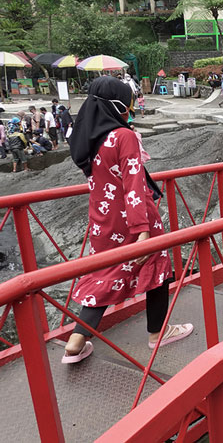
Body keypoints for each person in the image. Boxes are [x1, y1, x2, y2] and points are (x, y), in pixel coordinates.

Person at [63, 77, 192, 364]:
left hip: (102, 220)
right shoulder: (123, 136)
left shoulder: (89, 139)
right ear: (118, 105)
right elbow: (133, 184)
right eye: (128, 104)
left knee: (105, 273)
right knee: (157, 266)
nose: (130, 111)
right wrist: (142, 230)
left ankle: (76, 339)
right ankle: (158, 333)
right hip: (133, 218)